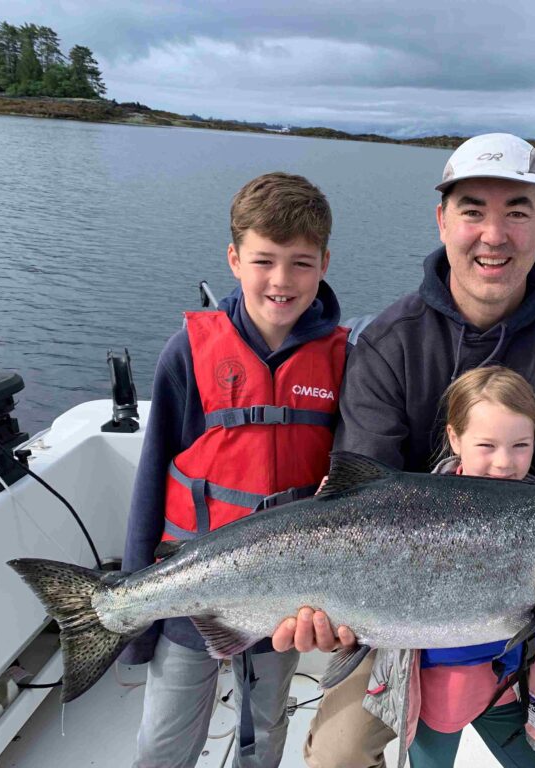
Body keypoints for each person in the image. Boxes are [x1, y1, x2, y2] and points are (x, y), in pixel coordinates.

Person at [274, 134, 535, 768]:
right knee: (333, 760)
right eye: (473, 209)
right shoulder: (391, 342)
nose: (493, 235)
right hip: (390, 593)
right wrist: (328, 609)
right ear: (441, 219)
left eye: (517, 212)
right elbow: (358, 496)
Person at [119, 172, 348, 768]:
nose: (281, 281)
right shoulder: (186, 354)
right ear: (233, 257)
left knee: (265, 732)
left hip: (288, 597)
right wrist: (137, 617)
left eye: (300, 263)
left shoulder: (347, 359)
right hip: (194, 585)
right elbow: (151, 486)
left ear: (325, 261)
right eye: (263, 260)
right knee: (164, 741)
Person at [409, 365, 535, 768]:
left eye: (520, 445)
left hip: (506, 686)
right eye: (486, 446)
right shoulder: (417, 513)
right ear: (454, 438)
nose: (504, 463)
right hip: (438, 696)